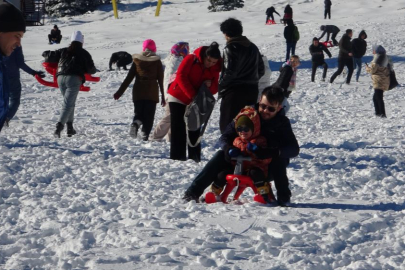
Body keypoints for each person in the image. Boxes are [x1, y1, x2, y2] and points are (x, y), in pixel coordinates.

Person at [183, 86, 300, 206]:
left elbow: (294, 149)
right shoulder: (247, 114)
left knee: (279, 160)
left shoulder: (281, 122)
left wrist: (272, 152)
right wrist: (228, 148)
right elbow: (225, 136)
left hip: (265, 165)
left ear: (279, 108)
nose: (265, 111)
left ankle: (284, 197)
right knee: (219, 155)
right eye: (263, 106)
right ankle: (193, 192)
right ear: (259, 100)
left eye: (270, 109)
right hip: (240, 159)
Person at [167, 42, 221, 162]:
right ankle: (177, 157)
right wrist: (192, 95)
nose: (210, 64)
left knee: (195, 126)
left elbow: (215, 88)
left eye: (213, 62)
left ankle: (194, 158)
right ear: (204, 56)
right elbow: (181, 76)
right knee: (178, 127)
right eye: (209, 61)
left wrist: (210, 85)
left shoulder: (215, 68)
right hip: (178, 96)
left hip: (196, 100)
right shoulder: (191, 58)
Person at [210, 106, 274, 203]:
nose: (242, 132)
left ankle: (263, 195)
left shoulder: (260, 141)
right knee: (223, 173)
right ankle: (214, 193)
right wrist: (231, 153)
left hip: (254, 168)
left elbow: (267, 159)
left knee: (255, 173)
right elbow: (229, 156)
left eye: (246, 128)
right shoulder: (237, 141)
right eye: (239, 128)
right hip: (238, 169)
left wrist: (258, 152)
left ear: (254, 128)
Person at [42, 31, 97, 138]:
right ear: (82, 41)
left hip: (60, 78)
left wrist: (45, 53)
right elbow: (91, 70)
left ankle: (70, 128)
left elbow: (49, 55)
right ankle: (59, 127)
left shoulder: (63, 51)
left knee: (69, 103)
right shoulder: (84, 53)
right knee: (68, 104)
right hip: (74, 79)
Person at [218, 18, 265, 134]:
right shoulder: (252, 47)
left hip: (234, 92)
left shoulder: (230, 48)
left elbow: (229, 72)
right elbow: (261, 69)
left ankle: (229, 149)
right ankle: (243, 149)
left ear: (226, 33)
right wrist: (251, 79)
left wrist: (221, 86)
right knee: (246, 124)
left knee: (228, 126)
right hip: (252, 91)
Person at [114, 39, 165, 141]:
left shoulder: (137, 60)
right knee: (149, 115)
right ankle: (145, 133)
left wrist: (119, 92)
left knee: (139, 113)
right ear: (154, 48)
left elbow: (129, 78)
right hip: (151, 92)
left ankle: (136, 123)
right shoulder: (156, 61)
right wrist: (164, 96)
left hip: (138, 91)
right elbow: (161, 79)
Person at [151, 41, 189, 142]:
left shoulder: (173, 60)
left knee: (174, 116)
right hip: (173, 94)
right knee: (170, 116)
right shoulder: (177, 62)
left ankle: (171, 138)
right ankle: (156, 136)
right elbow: (174, 79)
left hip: (172, 93)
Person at [0, 3, 26, 132]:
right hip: (14, 78)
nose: (19, 43)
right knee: (15, 101)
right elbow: (21, 63)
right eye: (17, 35)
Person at [5, 46, 45, 126]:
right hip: (12, 78)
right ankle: (6, 118)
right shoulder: (15, 44)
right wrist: (33, 72)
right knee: (14, 100)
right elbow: (20, 63)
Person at [366, 45, 391, 118]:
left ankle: (382, 114)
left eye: (374, 50)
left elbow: (373, 70)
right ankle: (378, 113)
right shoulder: (385, 57)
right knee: (376, 97)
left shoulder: (376, 58)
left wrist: (367, 68)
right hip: (384, 80)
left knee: (378, 97)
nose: (373, 51)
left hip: (378, 80)